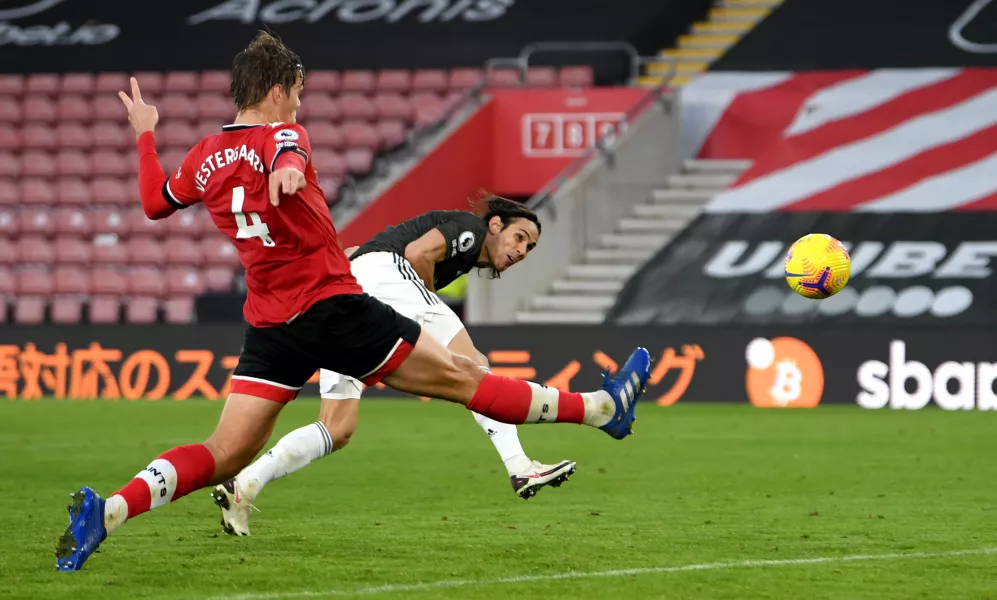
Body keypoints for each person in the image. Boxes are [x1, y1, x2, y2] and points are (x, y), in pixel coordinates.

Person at [55, 32, 651, 572]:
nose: (299, 104)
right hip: (333, 309)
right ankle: (603, 408)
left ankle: (107, 512)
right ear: (278, 89)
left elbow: (155, 202)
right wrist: (286, 170)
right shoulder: (284, 133)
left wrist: (145, 134)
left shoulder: (200, 157)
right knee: (467, 377)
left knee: (223, 452)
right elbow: (286, 151)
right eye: (297, 93)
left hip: (270, 324)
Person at [212, 199, 574, 536]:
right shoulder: (469, 229)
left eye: (529, 248)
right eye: (519, 237)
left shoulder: (458, 248)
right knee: (474, 365)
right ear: (494, 225)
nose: (521, 251)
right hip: (387, 278)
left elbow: (355, 253)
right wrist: (426, 310)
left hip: (350, 294)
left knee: (336, 428)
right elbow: (417, 254)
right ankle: (519, 465)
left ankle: (244, 485)